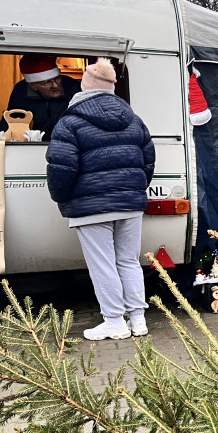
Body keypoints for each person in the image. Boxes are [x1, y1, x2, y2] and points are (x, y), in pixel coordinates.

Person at [46, 58, 156, 340]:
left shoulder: (69, 121)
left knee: (103, 263)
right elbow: (148, 161)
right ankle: (138, 319)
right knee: (128, 261)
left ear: (84, 85)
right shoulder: (134, 119)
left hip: (90, 207)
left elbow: (61, 167)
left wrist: (61, 198)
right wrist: (135, 189)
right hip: (130, 204)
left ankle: (115, 323)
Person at [0, 55, 82, 140]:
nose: (55, 85)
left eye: (57, 78)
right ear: (33, 85)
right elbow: (10, 121)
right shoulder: (22, 91)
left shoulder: (72, 86)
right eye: (47, 82)